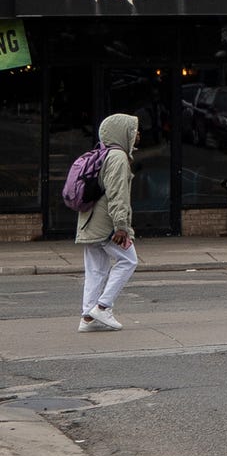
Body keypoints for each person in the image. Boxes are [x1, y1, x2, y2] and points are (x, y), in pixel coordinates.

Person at [76, 112, 141, 333]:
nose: (138, 134)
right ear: (122, 133)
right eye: (134, 130)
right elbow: (118, 194)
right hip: (107, 225)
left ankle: (88, 318)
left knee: (96, 271)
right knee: (129, 261)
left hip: (89, 222)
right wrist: (121, 226)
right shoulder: (118, 158)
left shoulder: (102, 154)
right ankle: (103, 307)